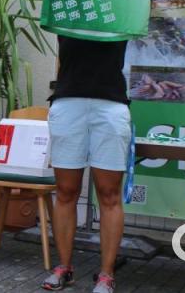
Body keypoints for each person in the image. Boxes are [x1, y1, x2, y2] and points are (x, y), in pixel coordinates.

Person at [42, 35, 131, 293]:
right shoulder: (69, 0)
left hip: (111, 103)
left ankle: (106, 274)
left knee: (109, 193)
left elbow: (139, 6)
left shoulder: (120, 1)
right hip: (69, 99)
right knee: (67, 191)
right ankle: (64, 267)